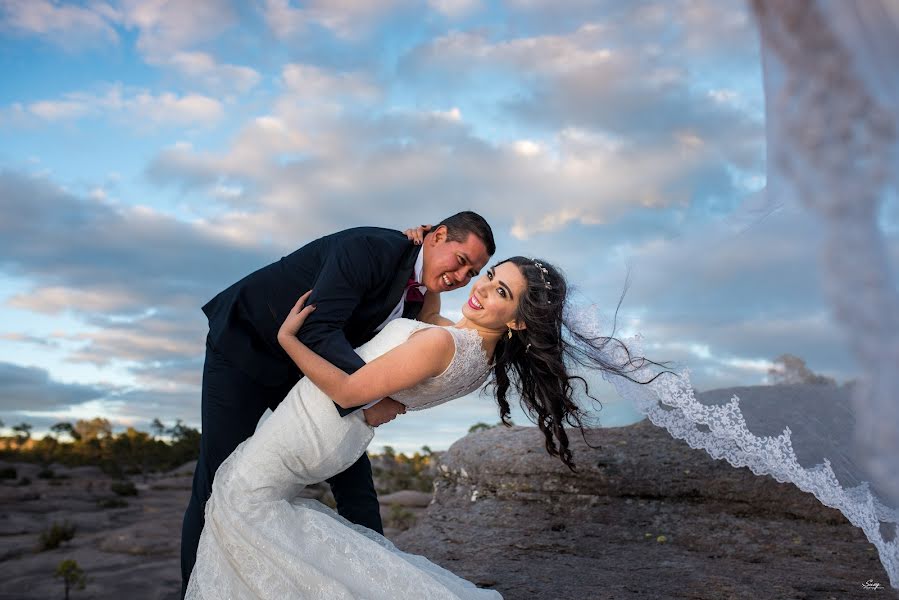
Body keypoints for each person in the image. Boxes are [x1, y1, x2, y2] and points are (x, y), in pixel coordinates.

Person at [185, 256, 662, 598]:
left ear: (517, 319)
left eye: (500, 292)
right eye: (490, 275)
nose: (480, 287)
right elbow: (429, 325)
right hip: (337, 432)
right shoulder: (476, 353)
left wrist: (288, 339)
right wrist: (428, 265)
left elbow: (349, 393)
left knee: (238, 501)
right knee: (252, 510)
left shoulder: (441, 345)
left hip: (320, 422)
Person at [180, 212, 496, 596]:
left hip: (310, 369)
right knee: (216, 480)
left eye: (472, 272)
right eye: (460, 261)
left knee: (354, 477)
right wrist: (368, 399)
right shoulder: (367, 249)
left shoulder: (419, 290)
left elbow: (404, 345)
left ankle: (377, 583)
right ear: (438, 236)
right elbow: (319, 327)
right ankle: (193, 590)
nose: (461, 278)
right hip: (247, 348)